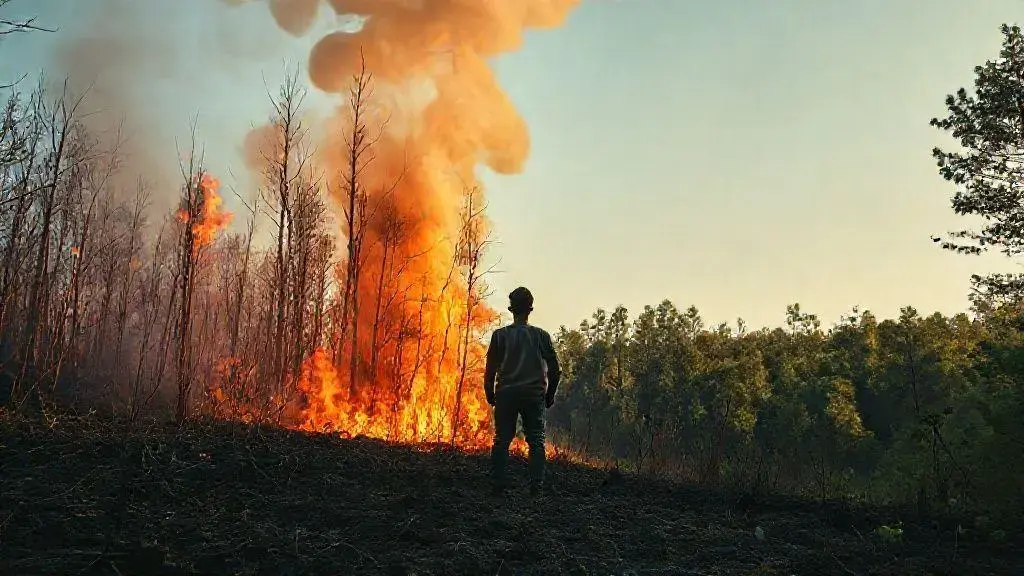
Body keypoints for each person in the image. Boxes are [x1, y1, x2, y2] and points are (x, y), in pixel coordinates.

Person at [484, 286, 561, 496]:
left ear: (511, 309)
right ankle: (536, 488)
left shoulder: (500, 336)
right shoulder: (541, 336)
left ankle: (497, 487)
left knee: (501, 440)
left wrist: (489, 392)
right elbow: (555, 370)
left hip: (506, 395)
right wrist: (550, 394)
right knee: (536, 440)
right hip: (533, 396)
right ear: (530, 310)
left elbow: (490, 368)